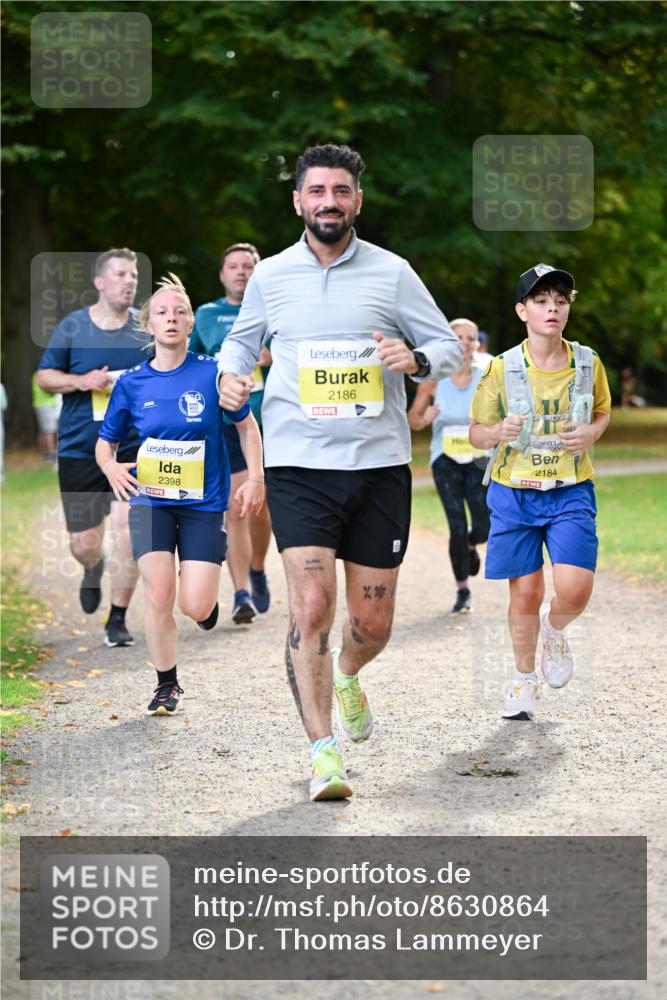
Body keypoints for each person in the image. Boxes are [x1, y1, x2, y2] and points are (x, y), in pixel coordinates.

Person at [218, 143, 462, 801]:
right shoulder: (270, 275)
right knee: (311, 604)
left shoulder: (392, 273)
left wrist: (410, 357)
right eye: (317, 191)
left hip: (378, 467)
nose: (329, 201)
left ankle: (349, 673)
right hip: (298, 465)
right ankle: (323, 752)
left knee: (373, 622)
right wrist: (230, 377)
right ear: (297, 200)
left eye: (341, 191)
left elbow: (443, 348)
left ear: (357, 199)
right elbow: (242, 341)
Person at [95, 274, 264, 716]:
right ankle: (166, 684)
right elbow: (105, 442)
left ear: (191, 324)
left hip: (203, 504)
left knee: (195, 605)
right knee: (157, 593)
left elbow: (247, 427)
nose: (171, 318)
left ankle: (206, 603)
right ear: (148, 325)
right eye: (161, 312)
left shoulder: (212, 374)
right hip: (150, 500)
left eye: (180, 312)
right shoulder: (131, 383)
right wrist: (110, 466)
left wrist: (257, 479)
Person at [469, 263, 611, 721]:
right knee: (525, 594)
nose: (552, 308)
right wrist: (497, 431)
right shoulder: (501, 367)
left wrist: (591, 433)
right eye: (542, 301)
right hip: (515, 492)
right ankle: (524, 680)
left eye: (561, 301)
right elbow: (474, 432)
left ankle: (555, 630)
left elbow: (603, 414)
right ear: (522, 310)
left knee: (574, 589)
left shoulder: (588, 362)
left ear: (568, 308)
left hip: (570, 489)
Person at [37, 249, 146, 647]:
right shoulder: (73, 326)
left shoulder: (144, 329)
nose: (129, 281)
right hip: (80, 448)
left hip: (130, 450)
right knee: (84, 542)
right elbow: (45, 376)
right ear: (100, 282)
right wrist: (81, 382)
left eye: (133, 275)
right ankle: (91, 566)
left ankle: (117, 617)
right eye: (120, 274)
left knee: (129, 531)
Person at [190, 243, 273, 624]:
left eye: (248, 266)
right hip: (226, 426)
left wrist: (275, 357)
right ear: (222, 274)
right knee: (236, 509)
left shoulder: (276, 310)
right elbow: (187, 363)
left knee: (263, 511)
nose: (241, 272)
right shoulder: (206, 316)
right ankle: (242, 592)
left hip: (272, 424)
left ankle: (257, 568)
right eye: (233, 267)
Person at [408, 318, 490, 614]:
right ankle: (463, 591)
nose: (466, 343)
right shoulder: (434, 380)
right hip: (445, 459)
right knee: (456, 524)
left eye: (471, 338)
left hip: (480, 456)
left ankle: (471, 544)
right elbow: (412, 419)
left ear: (477, 345)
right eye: (459, 337)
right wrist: (424, 417)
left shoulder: (487, 377)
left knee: (483, 525)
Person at [32, 372, 62, 463]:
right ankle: (51, 453)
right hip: (45, 404)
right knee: (49, 430)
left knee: (44, 430)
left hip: (43, 404)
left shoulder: (38, 374)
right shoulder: (41, 374)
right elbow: (47, 389)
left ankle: (46, 452)